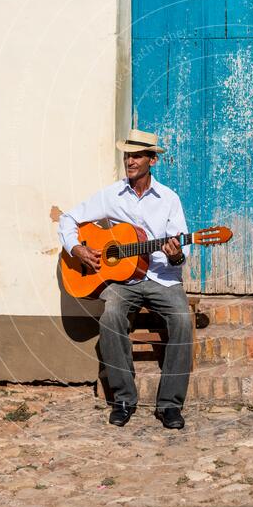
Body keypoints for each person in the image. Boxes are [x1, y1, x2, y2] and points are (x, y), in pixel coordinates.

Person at [58, 128, 193, 430]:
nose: (130, 161)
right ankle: (123, 399)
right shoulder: (111, 195)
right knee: (111, 317)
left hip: (162, 278)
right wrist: (77, 248)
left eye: (137, 156)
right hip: (124, 280)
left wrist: (175, 255)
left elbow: (181, 250)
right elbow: (68, 218)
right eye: (127, 155)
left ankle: (170, 405)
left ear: (152, 160)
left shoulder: (169, 199)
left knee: (182, 319)